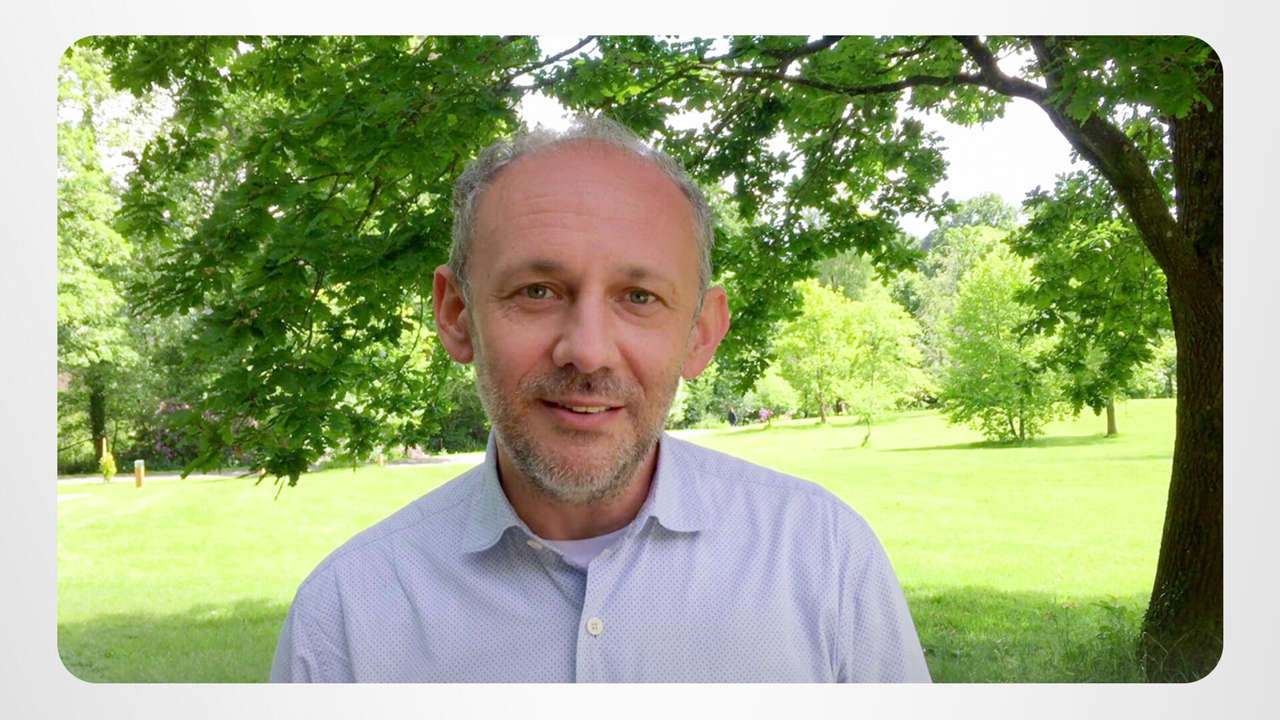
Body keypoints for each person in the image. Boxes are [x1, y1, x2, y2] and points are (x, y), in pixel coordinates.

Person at [270, 116, 930, 683]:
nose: (587, 352)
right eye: (537, 291)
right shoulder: (347, 620)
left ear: (701, 334)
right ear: (456, 315)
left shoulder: (825, 560)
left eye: (639, 297)